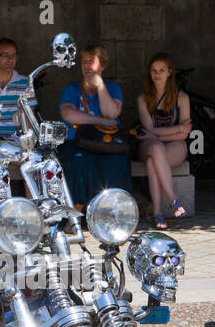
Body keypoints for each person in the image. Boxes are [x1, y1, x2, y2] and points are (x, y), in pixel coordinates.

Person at [58, 43, 130, 208]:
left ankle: (113, 209)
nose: (86, 66)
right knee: (79, 161)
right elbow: (68, 114)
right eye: (83, 61)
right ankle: (78, 210)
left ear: (103, 66)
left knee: (115, 162)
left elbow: (112, 113)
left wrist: (100, 86)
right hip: (75, 140)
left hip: (107, 141)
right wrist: (101, 121)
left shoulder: (113, 88)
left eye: (92, 61)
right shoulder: (72, 89)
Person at [136, 52, 192, 229]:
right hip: (148, 145)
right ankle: (172, 199)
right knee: (156, 149)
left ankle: (158, 213)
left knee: (154, 163)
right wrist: (176, 129)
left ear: (169, 72)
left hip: (175, 146)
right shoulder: (143, 99)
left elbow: (185, 134)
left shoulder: (182, 98)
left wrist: (158, 135)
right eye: (153, 70)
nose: (157, 74)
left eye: (161, 70)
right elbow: (149, 131)